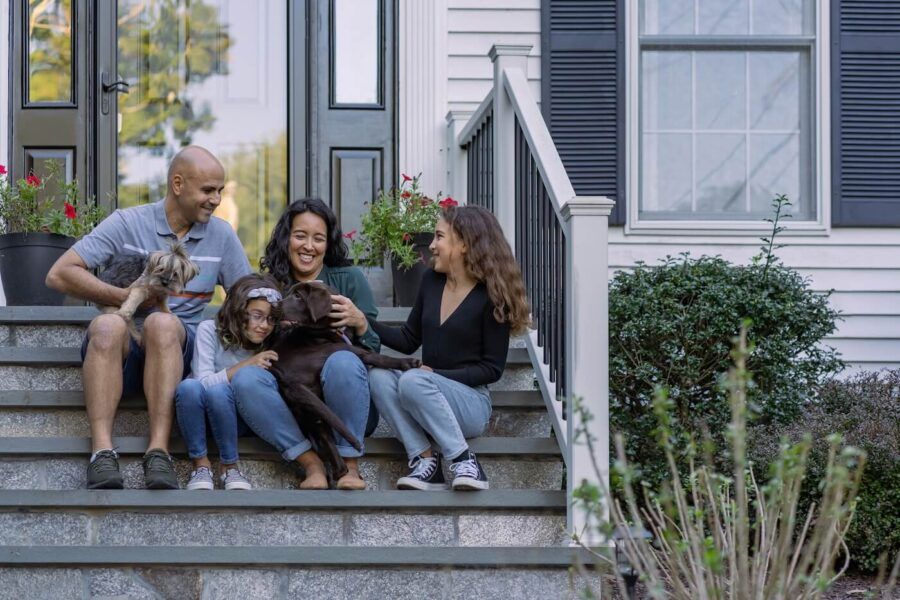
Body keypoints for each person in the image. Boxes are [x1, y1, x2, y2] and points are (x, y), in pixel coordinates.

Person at [45, 146, 252, 490]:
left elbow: (246, 298)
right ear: (177, 184)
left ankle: (158, 452)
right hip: (121, 353)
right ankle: (102, 452)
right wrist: (127, 296)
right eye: (207, 190)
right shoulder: (128, 222)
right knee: (107, 324)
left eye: (219, 190)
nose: (216, 199)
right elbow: (59, 274)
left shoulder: (222, 235)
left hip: (173, 349)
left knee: (161, 323)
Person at [368, 205, 530, 491]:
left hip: (470, 403)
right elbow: (408, 339)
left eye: (439, 237)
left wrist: (435, 376)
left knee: (414, 380)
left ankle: (464, 459)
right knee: (379, 377)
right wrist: (363, 324)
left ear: (465, 244)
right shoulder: (431, 281)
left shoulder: (491, 296)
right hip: (425, 389)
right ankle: (425, 461)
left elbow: (491, 370)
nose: (432, 245)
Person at [239, 198, 379, 490]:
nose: (308, 246)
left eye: (318, 238)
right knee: (246, 378)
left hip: (345, 404)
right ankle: (311, 464)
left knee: (342, 360)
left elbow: (373, 351)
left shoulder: (348, 280)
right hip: (294, 407)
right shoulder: (269, 285)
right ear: (286, 238)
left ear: (329, 243)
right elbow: (250, 341)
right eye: (300, 235)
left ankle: (349, 466)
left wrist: (360, 323)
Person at [175, 273, 283, 491]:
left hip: (240, 419)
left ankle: (229, 466)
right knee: (189, 386)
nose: (264, 325)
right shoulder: (209, 330)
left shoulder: (271, 343)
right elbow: (202, 381)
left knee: (219, 392)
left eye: (271, 319)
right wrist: (246, 365)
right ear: (238, 311)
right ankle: (200, 465)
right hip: (199, 415)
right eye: (257, 316)